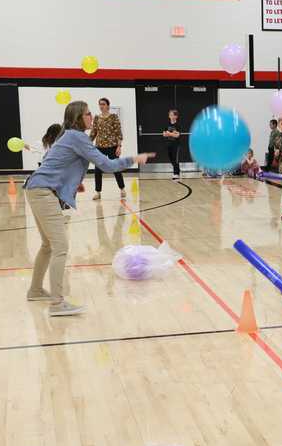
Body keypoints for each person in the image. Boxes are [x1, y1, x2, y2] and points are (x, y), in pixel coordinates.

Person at [23, 101, 154, 316]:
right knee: (60, 247)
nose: (92, 116)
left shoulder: (66, 135)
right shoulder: (77, 136)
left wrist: (72, 182)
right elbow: (107, 165)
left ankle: (35, 290)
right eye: (88, 114)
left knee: (48, 246)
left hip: (35, 187)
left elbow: (50, 159)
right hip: (43, 191)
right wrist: (134, 159)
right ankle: (57, 304)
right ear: (77, 119)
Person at [89, 98, 126, 200]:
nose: (101, 106)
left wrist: (119, 146)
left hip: (112, 147)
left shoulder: (113, 117)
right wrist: (87, 143)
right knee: (98, 170)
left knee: (116, 168)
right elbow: (93, 133)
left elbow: (119, 132)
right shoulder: (97, 118)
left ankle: (122, 189)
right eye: (100, 104)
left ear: (108, 106)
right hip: (99, 147)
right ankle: (98, 192)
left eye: (103, 104)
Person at [163, 109, 182, 178]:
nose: (173, 117)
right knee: (170, 156)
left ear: (176, 116)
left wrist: (169, 133)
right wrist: (172, 134)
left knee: (175, 158)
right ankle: (177, 169)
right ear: (169, 116)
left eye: (174, 115)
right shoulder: (167, 124)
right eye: (171, 115)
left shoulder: (178, 125)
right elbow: (164, 134)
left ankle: (176, 173)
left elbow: (177, 135)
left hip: (175, 144)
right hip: (169, 144)